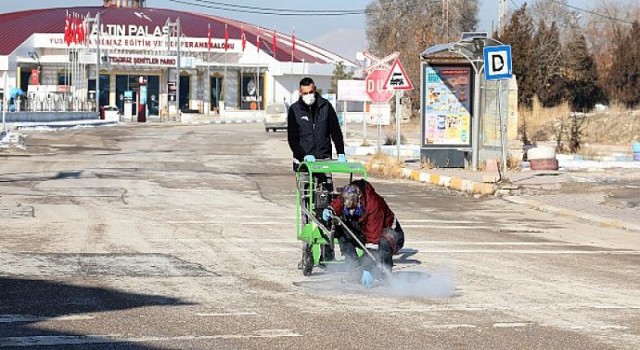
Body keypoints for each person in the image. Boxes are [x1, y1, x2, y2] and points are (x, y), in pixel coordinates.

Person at [288, 77, 346, 266]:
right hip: (305, 167)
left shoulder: (325, 107)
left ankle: (327, 253)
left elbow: (335, 131)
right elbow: (292, 139)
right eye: (304, 93)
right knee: (307, 209)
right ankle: (307, 253)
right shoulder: (295, 110)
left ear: (315, 90)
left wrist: (341, 152)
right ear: (300, 93)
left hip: (324, 164)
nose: (308, 96)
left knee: (328, 207)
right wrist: (303, 156)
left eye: (310, 92)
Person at [322, 179, 405, 288]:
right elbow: (338, 203)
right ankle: (355, 269)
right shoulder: (348, 194)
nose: (350, 211)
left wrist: (368, 268)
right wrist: (331, 210)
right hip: (366, 232)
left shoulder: (374, 206)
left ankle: (385, 276)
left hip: (391, 234)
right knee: (342, 231)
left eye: (353, 206)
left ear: (359, 199)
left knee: (384, 242)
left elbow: (373, 241)